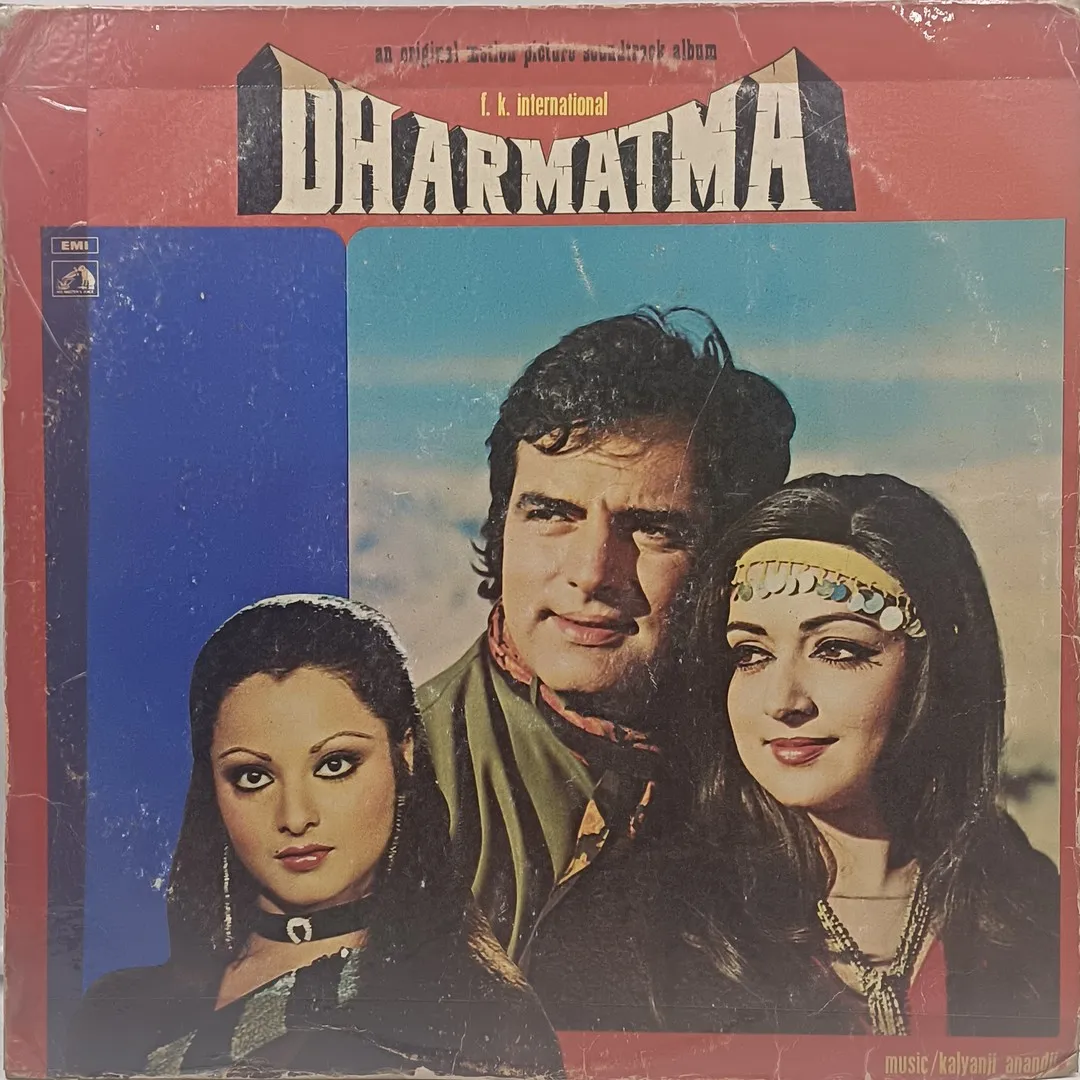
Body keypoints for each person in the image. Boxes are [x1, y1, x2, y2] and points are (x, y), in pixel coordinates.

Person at [417, 307, 796, 973]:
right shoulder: (398, 782)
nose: (593, 572)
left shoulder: (797, 765)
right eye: (551, 514)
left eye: (652, 528)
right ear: (502, 530)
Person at [67, 595, 565, 1077]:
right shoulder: (119, 1011)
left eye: (334, 765)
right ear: (211, 786)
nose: (295, 816)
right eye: (253, 777)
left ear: (405, 754)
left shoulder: (479, 1015)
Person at [634, 473, 1059, 1036]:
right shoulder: (645, 919)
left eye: (836, 649)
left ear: (934, 671)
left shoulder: (1025, 894)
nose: (783, 701)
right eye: (751, 653)